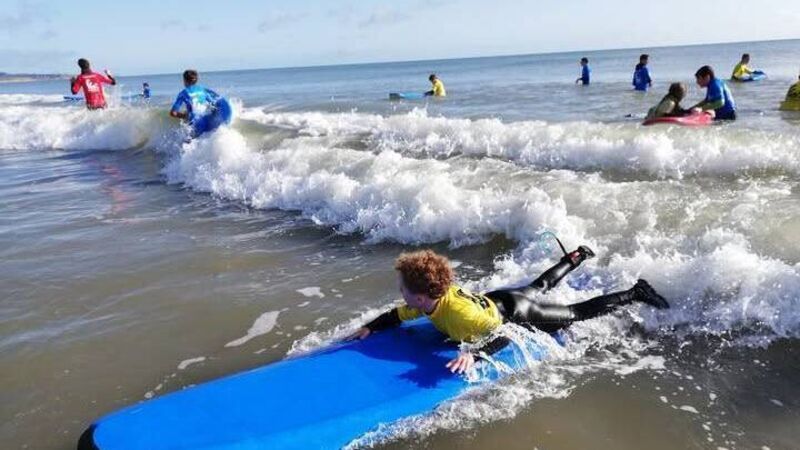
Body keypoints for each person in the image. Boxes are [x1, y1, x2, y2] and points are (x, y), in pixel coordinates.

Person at [350, 247, 669, 374]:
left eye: (404, 289)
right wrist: (371, 327)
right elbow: (395, 315)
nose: (401, 293)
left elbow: (503, 335)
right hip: (497, 298)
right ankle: (576, 257)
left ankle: (635, 292)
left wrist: (475, 355)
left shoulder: (460, 315)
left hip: (515, 312)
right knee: (539, 285)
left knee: (573, 314)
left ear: (420, 297)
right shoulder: (427, 303)